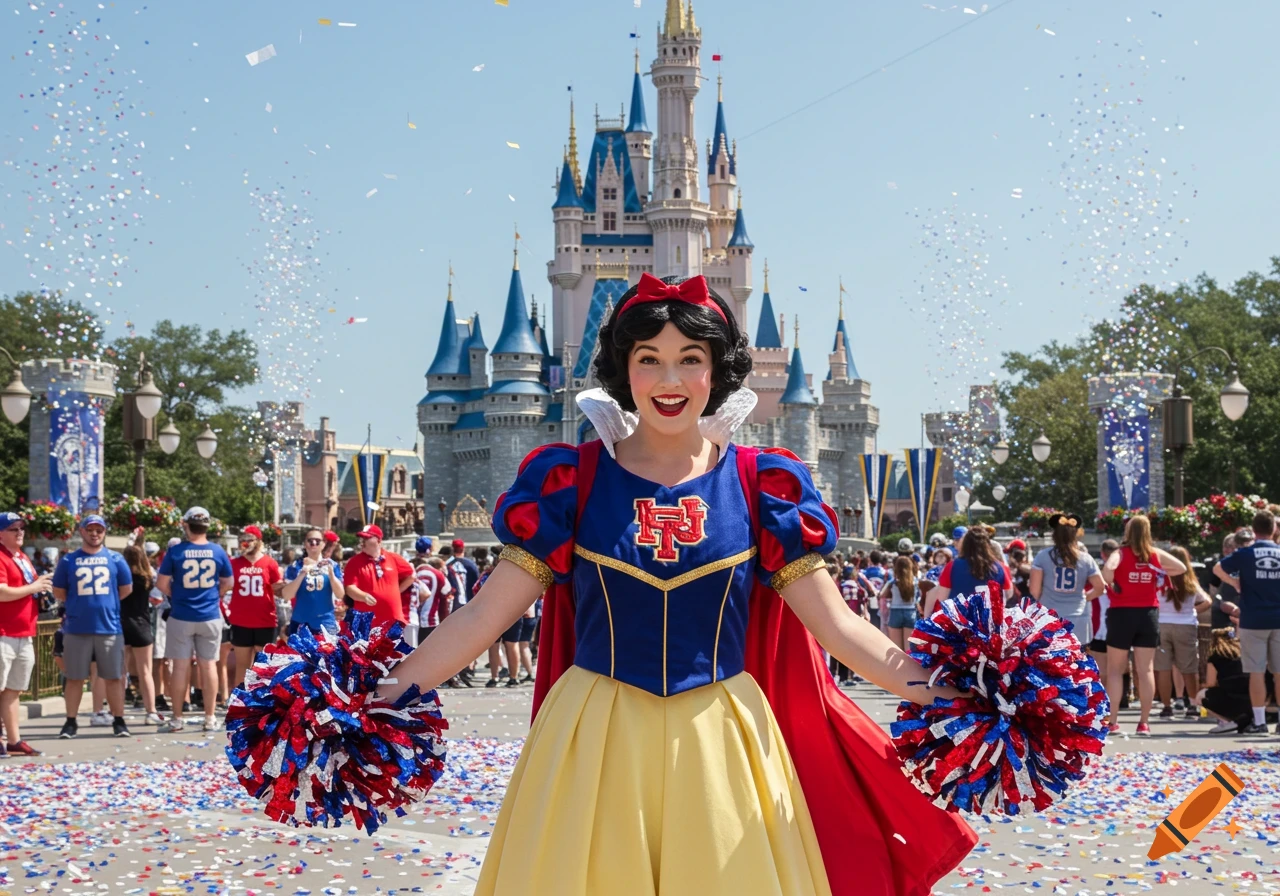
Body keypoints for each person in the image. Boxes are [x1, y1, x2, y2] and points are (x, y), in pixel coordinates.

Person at [376, 273, 976, 895]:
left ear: (716, 371)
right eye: (649, 360)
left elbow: (842, 631)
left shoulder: (762, 486)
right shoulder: (568, 484)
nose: (669, 381)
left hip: (721, 745)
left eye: (690, 359)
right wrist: (370, 696)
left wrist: (966, 695)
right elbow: (481, 619)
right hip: (594, 739)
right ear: (623, 370)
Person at [1100, 514, 1187, 737]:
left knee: (1115, 671)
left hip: (1121, 613)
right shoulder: (1154, 554)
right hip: (1148, 614)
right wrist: (1159, 572)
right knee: (1145, 669)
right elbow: (1180, 567)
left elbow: (1108, 570)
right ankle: (1144, 723)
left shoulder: (1120, 553)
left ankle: (1113, 721)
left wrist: (1114, 582)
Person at [51, 515, 134, 739]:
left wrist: (104, 604)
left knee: (114, 677)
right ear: (82, 531)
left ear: (105, 532)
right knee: (75, 677)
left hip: (109, 627)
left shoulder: (115, 559)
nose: (95, 533)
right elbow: (58, 591)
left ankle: (119, 720)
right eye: (90, 530)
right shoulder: (69, 560)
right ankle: (70, 722)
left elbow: (125, 588)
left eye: (99, 530)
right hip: (77, 628)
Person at [156, 507, 233, 734]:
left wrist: (176, 595)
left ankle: (177, 718)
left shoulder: (176, 551)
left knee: (180, 667)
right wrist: (213, 595)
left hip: (181, 615)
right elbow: (228, 582)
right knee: (209, 665)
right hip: (209, 615)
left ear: (186, 525)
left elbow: (161, 584)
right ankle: (209, 718)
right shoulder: (218, 551)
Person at [1213, 509, 1280, 736]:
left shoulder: (1245, 554)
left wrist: (1234, 582)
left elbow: (1217, 568)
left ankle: (1260, 722)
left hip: (1253, 620)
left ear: (1254, 530)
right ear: (1274, 529)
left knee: (1257, 672)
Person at [0, 511, 52, 757]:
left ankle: (13, 739)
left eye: (21, 528)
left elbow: (27, 589)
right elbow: (2, 592)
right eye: (13, 528)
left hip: (23, 631)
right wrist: (34, 587)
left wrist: (41, 589)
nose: (19, 532)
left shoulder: (21, 557)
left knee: (13, 690)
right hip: (3, 632)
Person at [1028, 513, 1104, 643]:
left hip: (1049, 619)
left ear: (1054, 535)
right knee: (1077, 661)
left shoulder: (1042, 557)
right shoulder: (1086, 559)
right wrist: (1085, 597)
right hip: (1078, 619)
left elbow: (1034, 591)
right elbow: (1100, 587)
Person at [1156, 544, 1210, 721]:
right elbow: (1207, 601)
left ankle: (1166, 707)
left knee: (1163, 668)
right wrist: (1193, 611)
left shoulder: (1159, 579)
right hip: (1186, 626)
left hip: (1162, 624)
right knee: (1189, 668)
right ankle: (1193, 706)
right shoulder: (1191, 582)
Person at [228, 526, 283, 688]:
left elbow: (278, 588)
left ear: (258, 541)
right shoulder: (234, 564)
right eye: (242, 541)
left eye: (249, 540)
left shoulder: (269, 563)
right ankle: (240, 700)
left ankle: (262, 701)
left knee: (264, 666)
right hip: (240, 620)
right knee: (243, 665)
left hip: (265, 621)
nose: (245, 544)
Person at [1200, 627, 1277, 734]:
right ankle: (1256, 718)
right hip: (1257, 697)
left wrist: (1202, 685)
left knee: (1200, 695)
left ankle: (1228, 722)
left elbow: (1211, 683)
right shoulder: (1246, 652)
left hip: (1233, 696)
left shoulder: (1214, 657)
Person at [924, 525, 1012, 617]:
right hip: (990, 624)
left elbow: (942, 598)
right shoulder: (1000, 567)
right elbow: (1008, 594)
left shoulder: (952, 566)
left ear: (965, 544)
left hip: (960, 625)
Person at [120, 537, 163, 724]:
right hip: (141, 625)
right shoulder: (147, 578)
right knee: (146, 671)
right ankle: (151, 711)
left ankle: (118, 710)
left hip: (121, 623)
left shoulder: (121, 579)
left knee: (120, 671)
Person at [342, 524, 413, 627]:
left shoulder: (393, 558)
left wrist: (397, 590)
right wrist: (363, 596)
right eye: (361, 538)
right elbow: (350, 588)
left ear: (378, 541)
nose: (362, 542)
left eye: (366, 538)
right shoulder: (354, 562)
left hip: (393, 620)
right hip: (367, 623)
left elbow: (410, 576)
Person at [282, 527, 345, 636]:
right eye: (310, 541)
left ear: (323, 544)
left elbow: (340, 594)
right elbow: (287, 595)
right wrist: (302, 573)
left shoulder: (332, 565)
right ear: (305, 544)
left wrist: (332, 576)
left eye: (317, 541)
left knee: (326, 653)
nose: (313, 543)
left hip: (325, 624)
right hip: (300, 623)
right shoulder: (295, 566)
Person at [879, 555, 921, 651]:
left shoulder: (892, 582)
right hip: (911, 612)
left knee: (897, 650)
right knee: (909, 650)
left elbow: (882, 594)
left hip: (895, 612)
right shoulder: (915, 582)